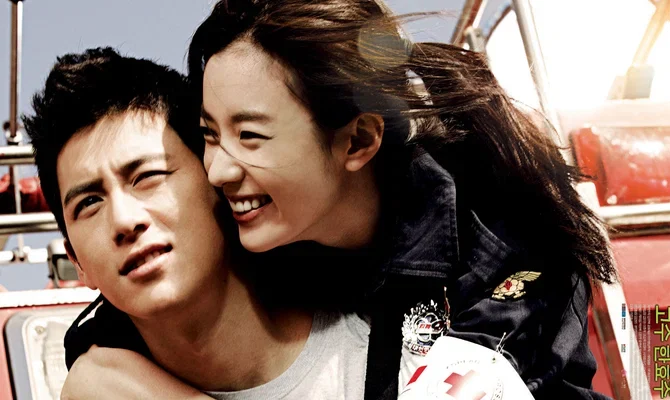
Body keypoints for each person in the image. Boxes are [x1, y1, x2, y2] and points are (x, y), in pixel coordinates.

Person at [61, 0, 618, 398]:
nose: (219, 170)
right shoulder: (259, 219)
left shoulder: (494, 258)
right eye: (210, 133)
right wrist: (93, 374)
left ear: (356, 141)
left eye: (250, 136)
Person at [25, 47, 372, 400]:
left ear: (217, 181)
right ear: (77, 262)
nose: (125, 220)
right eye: (89, 203)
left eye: (147, 176)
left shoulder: (384, 344)